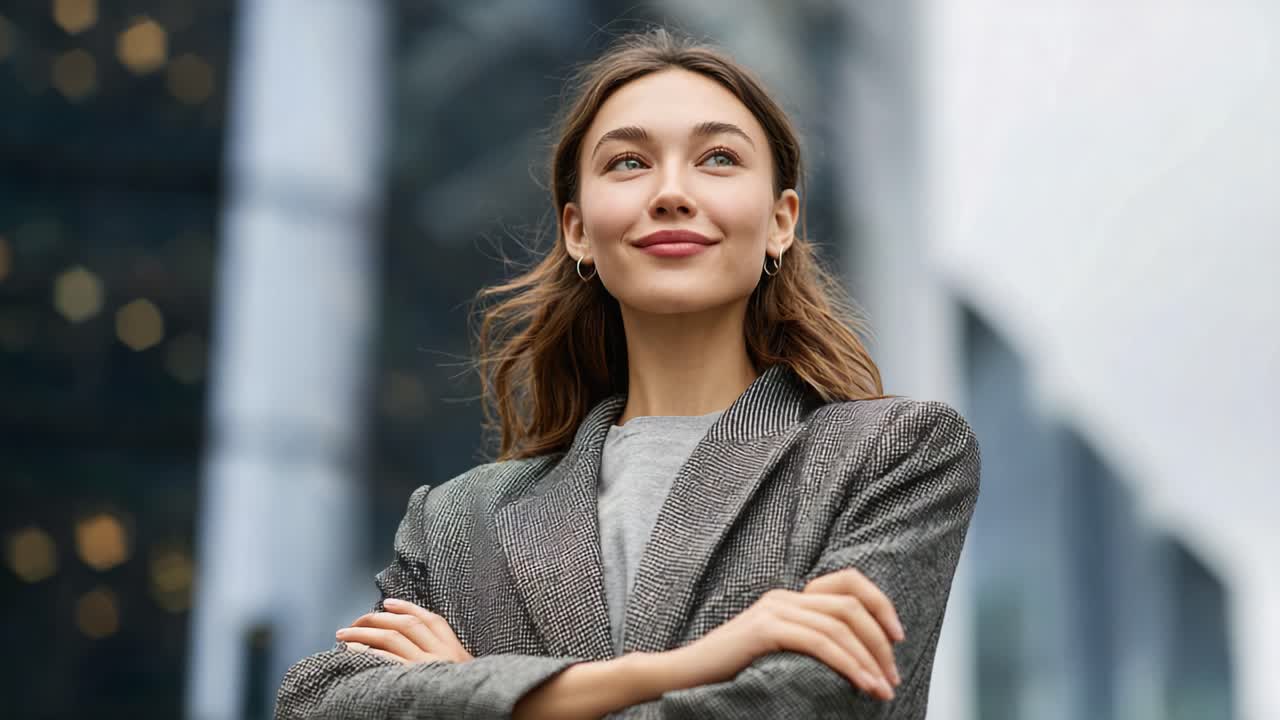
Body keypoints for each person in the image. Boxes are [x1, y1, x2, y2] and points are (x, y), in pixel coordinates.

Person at [275, 28, 980, 720]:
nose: (671, 192)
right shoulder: (459, 523)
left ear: (780, 221)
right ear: (578, 229)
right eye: (628, 164)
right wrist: (692, 664)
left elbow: (813, 701)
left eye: (719, 159)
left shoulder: (893, 455)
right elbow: (317, 705)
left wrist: (476, 692)